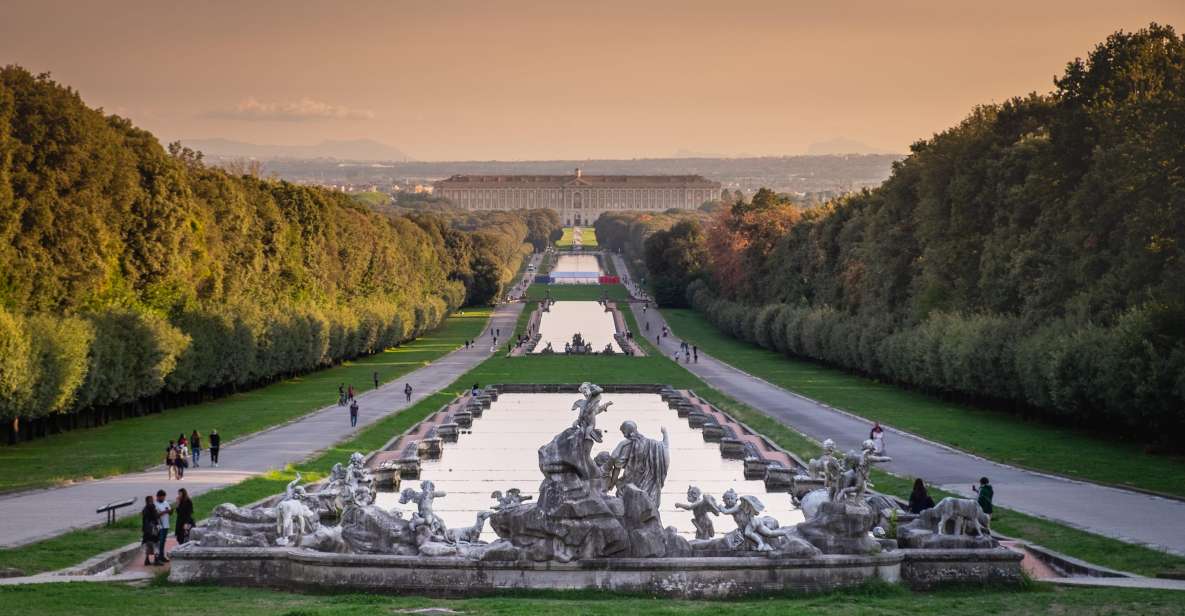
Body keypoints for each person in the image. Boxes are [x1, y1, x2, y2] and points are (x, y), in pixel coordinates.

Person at [141, 495, 160, 565]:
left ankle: (147, 560)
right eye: (152, 500)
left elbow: (143, 520)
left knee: (147, 544)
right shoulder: (153, 508)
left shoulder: (144, 509)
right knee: (156, 544)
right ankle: (156, 559)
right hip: (153, 529)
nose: (153, 501)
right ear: (150, 501)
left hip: (146, 530)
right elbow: (155, 517)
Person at [154, 490, 171, 563]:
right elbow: (156, 515)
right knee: (159, 542)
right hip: (159, 526)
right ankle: (157, 557)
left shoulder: (166, 502)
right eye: (162, 497)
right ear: (158, 497)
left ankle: (162, 555)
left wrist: (170, 511)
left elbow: (169, 512)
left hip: (166, 525)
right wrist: (164, 512)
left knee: (163, 541)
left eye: (164, 497)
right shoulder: (155, 504)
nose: (163, 499)